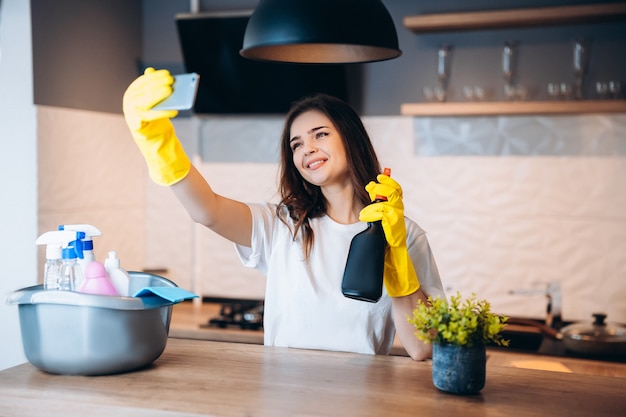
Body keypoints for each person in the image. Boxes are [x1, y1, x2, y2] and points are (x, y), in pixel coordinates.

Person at [122, 68, 445, 360]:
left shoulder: (403, 234)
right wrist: (158, 144)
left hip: (362, 397)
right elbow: (207, 210)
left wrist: (397, 256)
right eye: (296, 144)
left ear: (352, 138)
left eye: (320, 134)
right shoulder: (282, 224)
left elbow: (423, 347)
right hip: (283, 394)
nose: (307, 149)